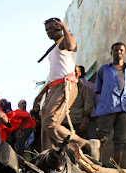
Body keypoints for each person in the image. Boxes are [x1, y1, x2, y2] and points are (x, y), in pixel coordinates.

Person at [33, 17, 98, 161]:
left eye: (52, 28)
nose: (49, 31)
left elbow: (70, 45)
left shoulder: (68, 39)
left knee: (51, 123)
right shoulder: (55, 48)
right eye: (47, 30)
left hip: (65, 86)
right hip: (54, 88)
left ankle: (84, 144)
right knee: (45, 124)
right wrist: (40, 95)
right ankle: (47, 157)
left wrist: (65, 28)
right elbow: (53, 75)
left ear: (59, 27)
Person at [95, 42, 126, 167]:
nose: (118, 52)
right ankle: (98, 164)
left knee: (121, 139)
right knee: (102, 137)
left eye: (121, 50)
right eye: (116, 50)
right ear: (112, 53)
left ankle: (117, 166)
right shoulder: (104, 69)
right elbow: (98, 89)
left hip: (124, 108)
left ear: (124, 53)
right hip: (107, 108)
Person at [63, 65, 93, 139]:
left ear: (79, 73)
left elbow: (88, 105)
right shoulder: (64, 87)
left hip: (77, 123)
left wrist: (84, 122)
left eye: (76, 72)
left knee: (78, 146)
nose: (74, 74)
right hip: (64, 122)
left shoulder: (84, 88)